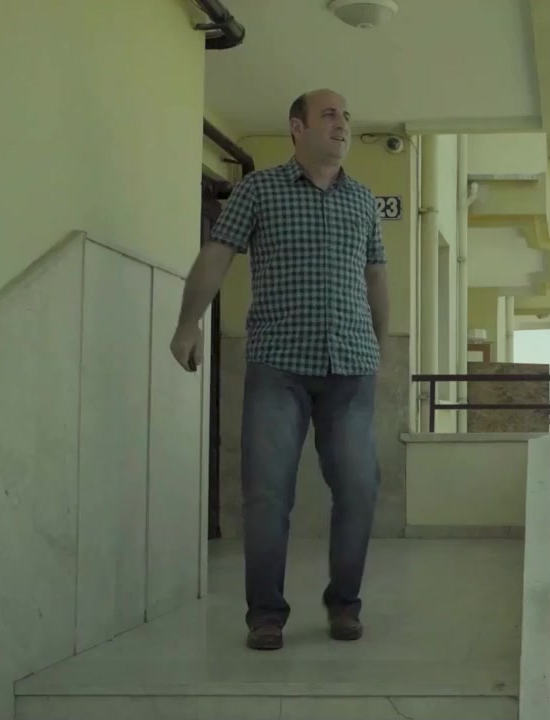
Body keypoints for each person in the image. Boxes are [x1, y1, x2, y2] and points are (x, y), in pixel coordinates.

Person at [169, 88, 389, 651]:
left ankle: (344, 604)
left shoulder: (363, 201)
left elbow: (375, 277)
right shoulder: (258, 190)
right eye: (330, 114)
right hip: (278, 367)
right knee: (267, 496)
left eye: (346, 116)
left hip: (351, 368)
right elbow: (217, 254)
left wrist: (379, 345)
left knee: (359, 490)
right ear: (297, 127)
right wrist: (189, 324)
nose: (342, 124)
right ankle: (265, 614)